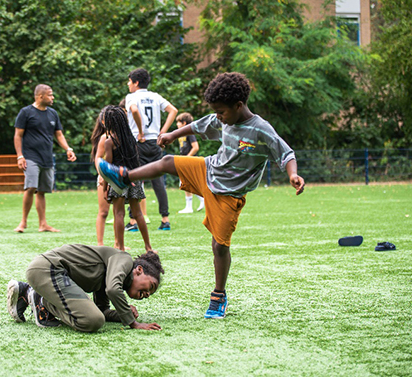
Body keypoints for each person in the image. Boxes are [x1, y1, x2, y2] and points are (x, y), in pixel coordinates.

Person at [98, 72, 305, 319]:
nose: (218, 117)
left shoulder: (260, 130)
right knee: (167, 161)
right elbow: (199, 125)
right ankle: (125, 176)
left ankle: (219, 295)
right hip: (208, 169)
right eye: (216, 112)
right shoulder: (224, 118)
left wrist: (293, 175)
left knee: (219, 245)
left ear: (239, 106)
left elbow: (286, 153)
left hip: (229, 193)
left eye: (221, 112)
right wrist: (172, 135)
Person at [6, 244, 164, 332]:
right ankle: (38, 298)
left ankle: (34, 295)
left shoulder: (111, 278)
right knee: (92, 321)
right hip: (49, 269)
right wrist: (133, 323)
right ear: (139, 270)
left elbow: (102, 310)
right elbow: (113, 290)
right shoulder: (124, 259)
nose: (148, 294)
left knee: (95, 317)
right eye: (150, 286)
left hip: (55, 276)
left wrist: (122, 314)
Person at [13, 84, 76, 233]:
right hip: (30, 156)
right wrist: (20, 156)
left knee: (41, 191)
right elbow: (18, 135)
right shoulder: (26, 112)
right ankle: (23, 222)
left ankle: (43, 224)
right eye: (50, 95)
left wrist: (68, 149)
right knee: (31, 187)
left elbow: (59, 135)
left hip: (47, 157)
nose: (53, 98)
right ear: (40, 96)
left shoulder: (53, 114)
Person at [124, 68, 178, 232]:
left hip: (138, 142)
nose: (128, 84)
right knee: (158, 181)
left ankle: (133, 221)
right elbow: (173, 111)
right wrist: (163, 132)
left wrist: (140, 131)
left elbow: (134, 110)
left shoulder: (132, 97)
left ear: (136, 82)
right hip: (155, 141)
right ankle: (165, 219)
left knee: (135, 179)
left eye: (129, 81)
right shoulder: (155, 97)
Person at [101, 105, 153, 252]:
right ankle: (148, 247)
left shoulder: (110, 141)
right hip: (133, 178)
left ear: (109, 123)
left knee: (119, 213)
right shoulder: (131, 138)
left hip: (118, 181)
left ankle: (121, 248)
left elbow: (108, 167)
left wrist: (105, 187)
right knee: (138, 213)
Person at [176, 112, 205, 213]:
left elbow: (195, 147)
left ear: (184, 123)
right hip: (184, 160)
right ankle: (202, 199)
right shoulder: (181, 134)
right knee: (188, 183)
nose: (177, 125)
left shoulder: (189, 133)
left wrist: (187, 158)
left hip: (189, 161)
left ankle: (189, 207)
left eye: (178, 122)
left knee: (185, 183)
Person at [90, 108, 110, 246]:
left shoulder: (124, 135)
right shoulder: (104, 138)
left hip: (118, 179)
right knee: (103, 212)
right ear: (103, 121)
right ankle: (100, 244)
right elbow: (98, 158)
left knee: (119, 212)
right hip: (105, 178)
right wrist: (102, 175)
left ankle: (117, 243)